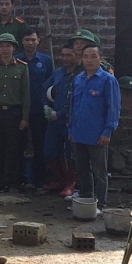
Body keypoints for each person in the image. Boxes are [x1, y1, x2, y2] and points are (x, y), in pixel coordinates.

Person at [68, 44, 120, 211]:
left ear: (100, 59)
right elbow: (73, 106)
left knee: (99, 171)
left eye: (93, 56)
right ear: (81, 59)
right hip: (79, 132)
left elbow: (113, 108)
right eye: (85, 57)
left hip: (97, 133)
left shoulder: (108, 80)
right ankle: (85, 200)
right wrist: (71, 129)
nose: (89, 60)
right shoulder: (78, 79)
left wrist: (108, 131)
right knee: (82, 169)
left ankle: (101, 204)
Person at [0, 33, 30, 195]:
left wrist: (25, 117)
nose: (5, 49)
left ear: (14, 48)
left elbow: (26, 95)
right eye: (2, 46)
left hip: (14, 112)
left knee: (14, 148)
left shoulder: (22, 67)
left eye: (8, 46)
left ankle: (13, 182)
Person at [15, 27, 54, 189]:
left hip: (39, 109)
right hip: (19, 110)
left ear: (38, 41)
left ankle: (39, 180)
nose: (30, 43)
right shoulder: (15, 60)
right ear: (21, 42)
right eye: (27, 40)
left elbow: (51, 86)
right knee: (18, 145)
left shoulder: (45, 61)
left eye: (33, 39)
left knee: (40, 145)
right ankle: (20, 179)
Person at [42, 43, 78, 197]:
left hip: (70, 120)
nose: (64, 58)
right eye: (62, 55)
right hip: (54, 120)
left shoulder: (78, 76)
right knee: (50, 150)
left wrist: (61, 113)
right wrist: (46, 107)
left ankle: (71, 183)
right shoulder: (58, 74)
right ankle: (59, 179)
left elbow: (75, 101)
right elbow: (44, 89)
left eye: (68, 55)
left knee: (71, 153)